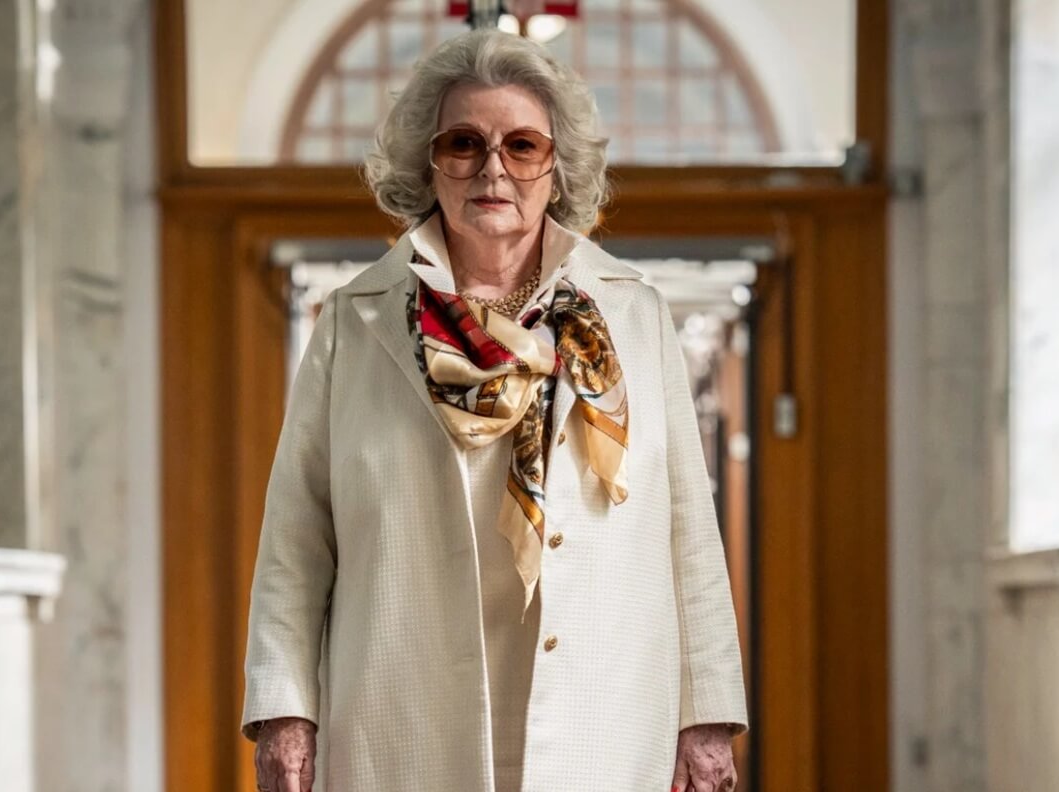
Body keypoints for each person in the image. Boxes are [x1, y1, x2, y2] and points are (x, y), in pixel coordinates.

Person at [242, 28, 747, 792]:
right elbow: (295, 538)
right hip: (404, 708)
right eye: (463, 143)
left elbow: (688, 531)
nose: (493, 169)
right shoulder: (355, 321)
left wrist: (706, 716)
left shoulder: (633, 318)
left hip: (602, 708)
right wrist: (284, 712)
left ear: (557, 166)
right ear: (428, 162)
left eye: (522, 146)